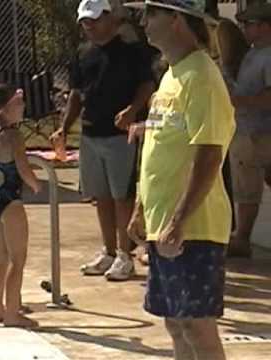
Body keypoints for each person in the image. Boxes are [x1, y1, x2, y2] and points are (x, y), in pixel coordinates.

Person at [124, 0, 235, 359]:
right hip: (164, 223)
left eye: (151, 13)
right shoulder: (172, 76)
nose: (143, 21)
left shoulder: (202, 76)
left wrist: (178, 220)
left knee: (196, 326)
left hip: (194, 227)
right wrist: (141, 208)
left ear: (176, 19)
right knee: (175, 323)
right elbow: (158, 149)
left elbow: (209, 155)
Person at [50, 0, 155, 280]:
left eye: (95, 20)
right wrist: (64, 128)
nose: (90, 26)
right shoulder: (83, 53)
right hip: (91, 134)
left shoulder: (132, 53)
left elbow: (146, 84)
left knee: (122, 197)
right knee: (101, 197)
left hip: (120, 135)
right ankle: (109, 251)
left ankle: (124, 254)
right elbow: (76, 94)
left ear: (110, 18)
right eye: (85, 21)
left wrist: (132, 110)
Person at [0, 83, 41, 327]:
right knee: (18, 260)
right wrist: (35, 185)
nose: (23, 107)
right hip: (10, 202)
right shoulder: (13, 136)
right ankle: (12, 313)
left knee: (1, 258)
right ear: (6, 108)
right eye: (19, 103)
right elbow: (23, 168)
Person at [227, 3, 271, 257]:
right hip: (246, 129)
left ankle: (242, 236)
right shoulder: (253, 52)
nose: (244, 28)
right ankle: (242, 236)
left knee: (248, 186)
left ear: (265, 26)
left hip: (259, 132)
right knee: (245, 186)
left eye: (249, 24)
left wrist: (239, 101)